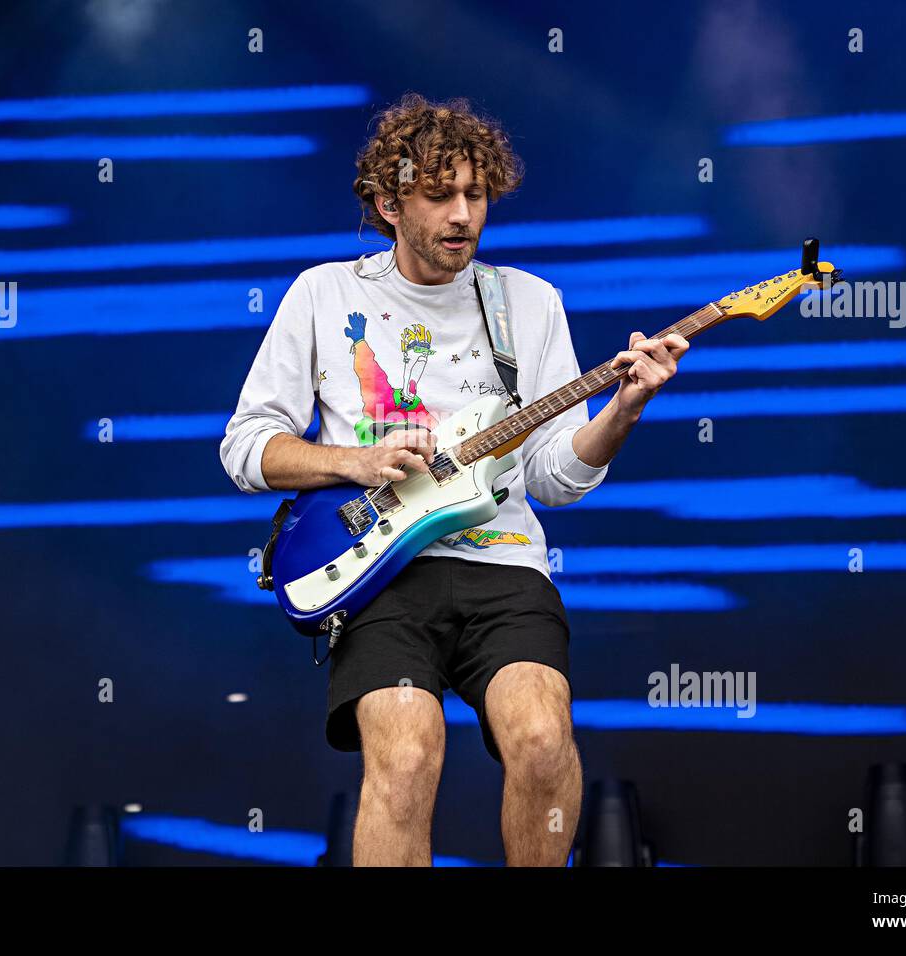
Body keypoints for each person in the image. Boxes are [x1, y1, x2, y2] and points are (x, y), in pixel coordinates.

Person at [220, 93, 688, 865]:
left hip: (502, 563)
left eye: (476, 194)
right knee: (404, 758)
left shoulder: (529, 305)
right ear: (386, 202)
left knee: (541, 739)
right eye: (439, 196)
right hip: (380, 574)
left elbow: (553, 477)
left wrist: (624, 411)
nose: (463, 215)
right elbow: (245, 449)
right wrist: (353, 461)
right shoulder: (324, 295)